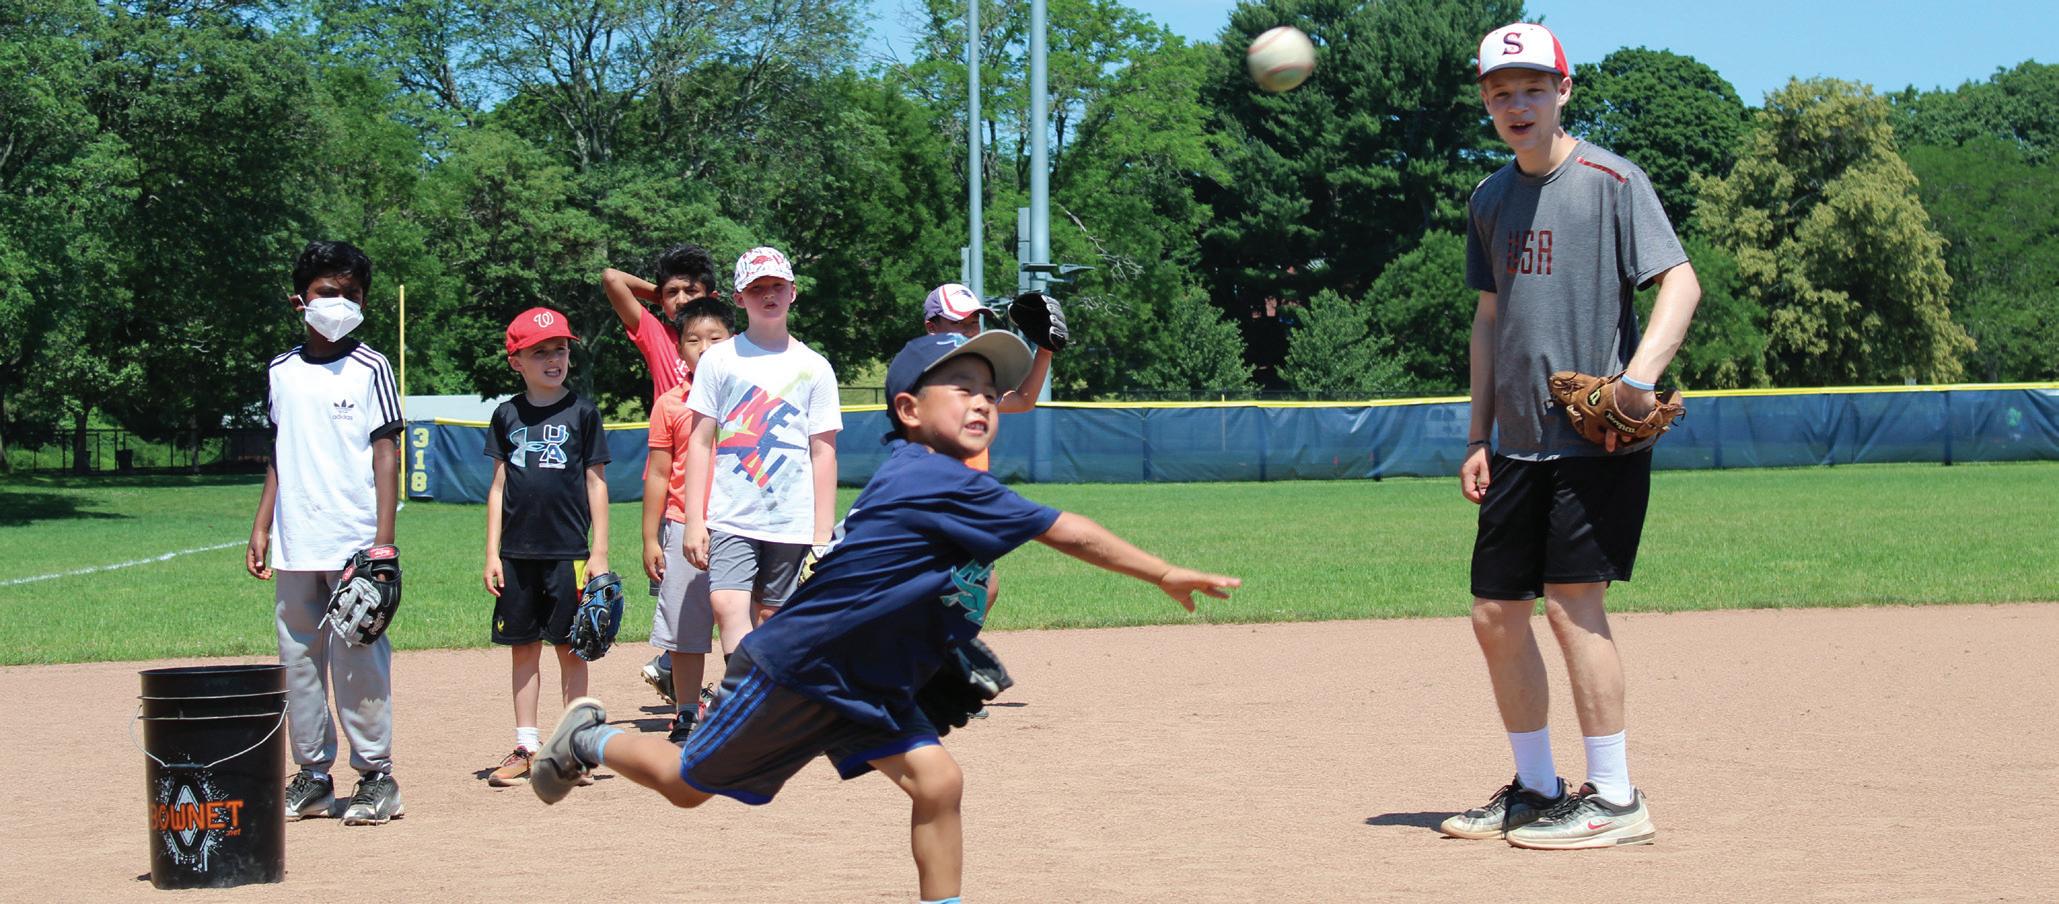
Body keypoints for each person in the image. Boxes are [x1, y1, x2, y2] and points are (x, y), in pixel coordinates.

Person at [526, 331, 1241, 904]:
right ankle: (590, 737)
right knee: (687, 785)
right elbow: (1064, 530)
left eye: (989, 391)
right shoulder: (930, 477)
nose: (982, 401)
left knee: (938, 782)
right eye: (961, 387)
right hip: (800, 671)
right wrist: (1163, 572)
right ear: (908, 409)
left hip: (867, 681)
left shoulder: (935, 479)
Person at [1441, 22, 1701, 850]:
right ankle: (1535, 788)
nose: (1515, 104)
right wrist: (1476, 434)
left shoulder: (1610, 182)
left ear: (1563, 91)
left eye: (1531, 88)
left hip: (1594, 442)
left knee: (1570, 605)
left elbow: (1679, 282)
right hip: (1515, 445)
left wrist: (1638, 378)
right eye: (1499, 93)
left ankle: (1616, 799)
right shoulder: (1488, 199)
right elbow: (1489, 319)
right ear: (1486, 103)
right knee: (1495, 614)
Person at [245, 240, 405, 825]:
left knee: (358, 660)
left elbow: (385, 452)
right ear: (300, 301)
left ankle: (376, 776)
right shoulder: (281, 371)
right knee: (299, 664)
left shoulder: (371, 367)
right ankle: (312, 775)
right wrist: (261, 524)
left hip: (354, 544)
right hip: (296, 542)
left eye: (352, 294)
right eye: (328, 292)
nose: (340, 302)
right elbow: (279, 452)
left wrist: (382, 543)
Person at [679, 247, 841, 635]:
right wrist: (694, 520)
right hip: (732, 513)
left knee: (773, 616)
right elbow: (699, 442)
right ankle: (742, 676)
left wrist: (822, 536)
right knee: (726, 603)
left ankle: (762, 678)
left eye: (777, 286)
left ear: (793, 292)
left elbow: (823, 453)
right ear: (739, 298)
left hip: (792, 518)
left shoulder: (815, 367)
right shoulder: (720, 360)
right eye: (756, 288)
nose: (768, 294)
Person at [481, 308, 613, 787]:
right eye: (540, 352)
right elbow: (498, 487)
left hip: (569, 553)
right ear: (516, 361)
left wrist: (599, 551)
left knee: (572, 648)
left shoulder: (583, 412)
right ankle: (527, 745)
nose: (554, 359)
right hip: (516, 553)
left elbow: (596, 483)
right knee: (523, 648)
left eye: (560, 349)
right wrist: (492, 553)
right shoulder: (506, 415)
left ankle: (574, 748)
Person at [600, 245, 722, 703]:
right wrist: (665, 299)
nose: (681, 298)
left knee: (725, 597)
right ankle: (676, 674)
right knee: (683, 595)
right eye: (673, 292)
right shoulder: (659, 334)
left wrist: (693, 303)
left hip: (722, 483)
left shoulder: (721, 343)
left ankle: (671, 669)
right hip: (676, 479)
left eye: (691, 290)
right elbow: (612, 278)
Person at [641, 298, 734, 743]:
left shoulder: (749, 398)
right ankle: (685, 711)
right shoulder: (671, 404)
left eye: (716, 337)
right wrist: (650, 538)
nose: (705, 347)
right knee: (685, 629)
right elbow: (659, 474)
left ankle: (745, 706)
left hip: (740, 523)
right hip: (683, 523)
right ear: (679, 349)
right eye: (693, 340)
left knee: (743, 620)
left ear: (733, 341)